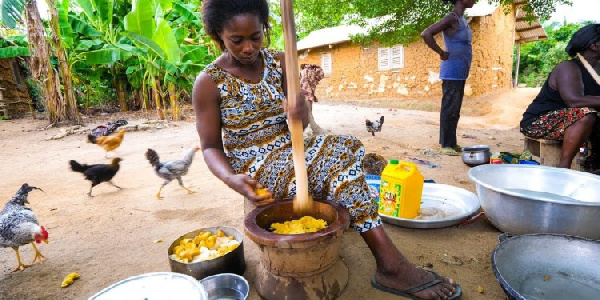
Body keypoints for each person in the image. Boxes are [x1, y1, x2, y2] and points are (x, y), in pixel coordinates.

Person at [192, 0, 462, 299]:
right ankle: (391, 265)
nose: (248, 48)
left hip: (294, 150)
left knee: (346, 147)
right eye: (237, 40)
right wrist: (232, 179)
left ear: (264, 29)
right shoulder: (209, 82)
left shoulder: (279, 62)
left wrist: (299, 110)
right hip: (257, 169)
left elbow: (302, 123)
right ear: (218, 35)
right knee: (338, 162)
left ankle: (380, 253)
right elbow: (210, 147)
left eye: (255, 36)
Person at [520, 24, 600, 169]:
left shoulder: (597, 70)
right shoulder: (567, 68)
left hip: (576, 123)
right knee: (585, 114)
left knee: (589, 116)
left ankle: (593, 163)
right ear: (594, 45)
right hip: (541, 121)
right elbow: (574, 101)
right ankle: (563, 169)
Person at [421, 0, 475, 156]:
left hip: (460, 71)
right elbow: (426, 34)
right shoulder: (451, 18)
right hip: (452, 70)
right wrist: (441, 52)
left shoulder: (462, 19)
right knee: (449, 107)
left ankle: (452, 143)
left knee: (455, 109)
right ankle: (445, 145)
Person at [300, 63, 325, 135]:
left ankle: (316, 130)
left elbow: (301, 83)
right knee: (308, 111)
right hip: (310, 94)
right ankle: (309, 129)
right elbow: (321, 76)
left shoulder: (304, 72)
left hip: (305, 94)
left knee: (308, 113)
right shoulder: (314, 71)